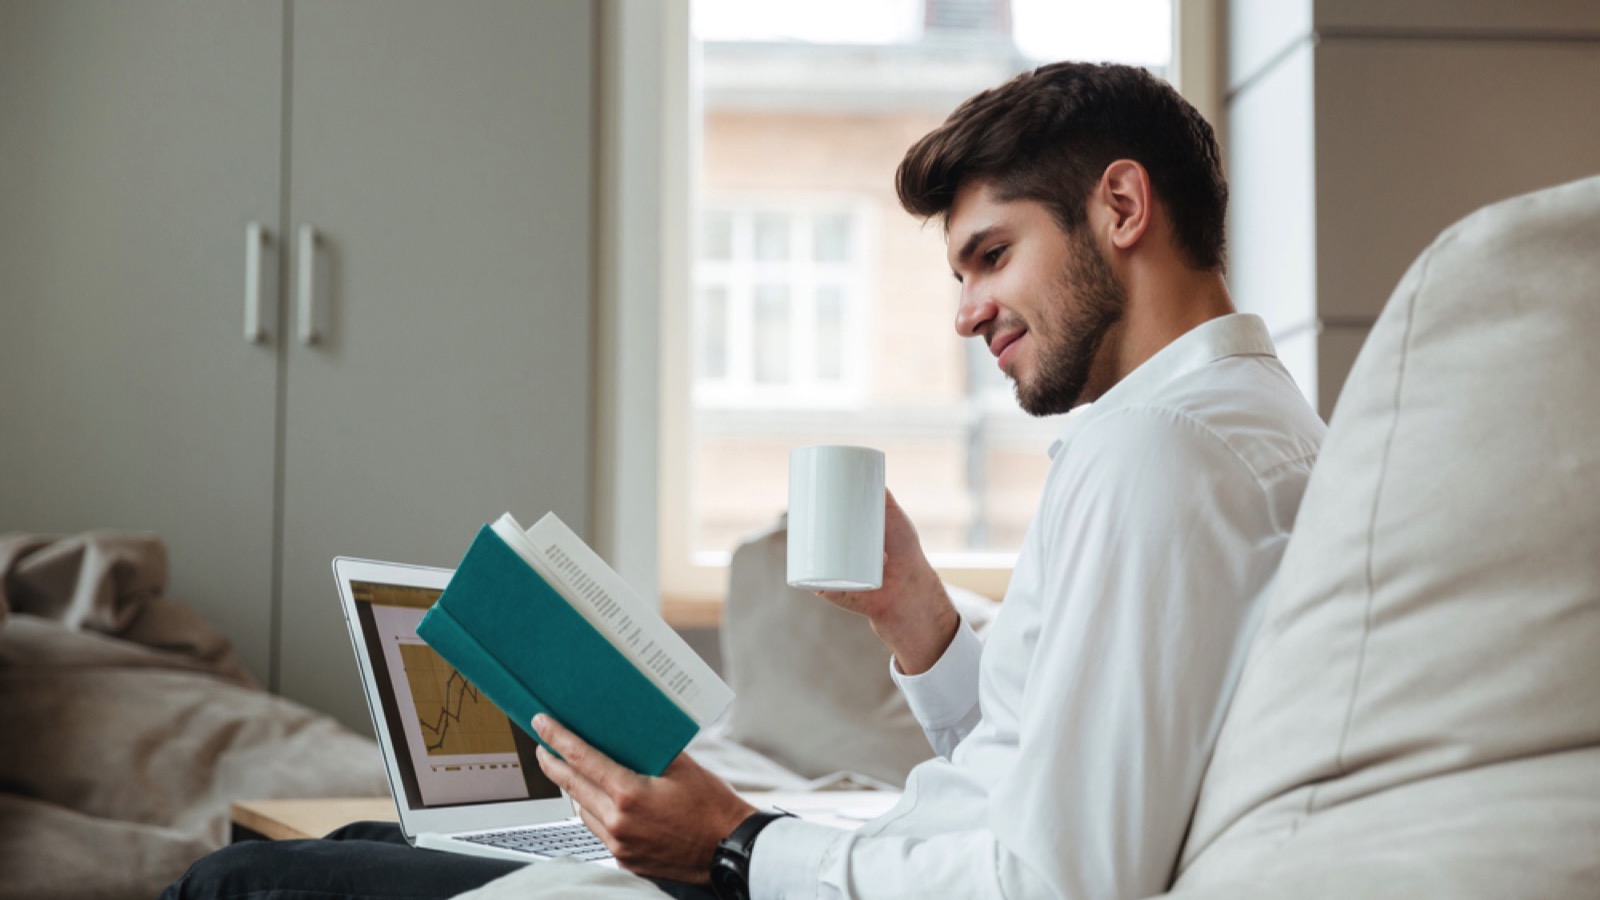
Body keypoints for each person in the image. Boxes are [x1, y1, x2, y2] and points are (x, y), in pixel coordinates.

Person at [162, 61, 1325, 900]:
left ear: (1121, 207)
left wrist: (733, 845)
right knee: (370, 841)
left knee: (238, 883)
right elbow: (1047, 759)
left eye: (990, 255)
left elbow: (1057, 878)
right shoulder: (1227, 430)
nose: (965, 311)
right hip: (871, 861)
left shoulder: (1159, 456)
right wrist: (915, 618)